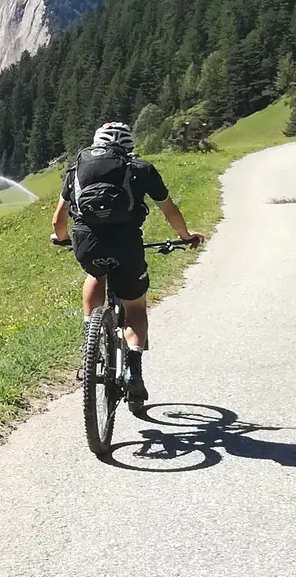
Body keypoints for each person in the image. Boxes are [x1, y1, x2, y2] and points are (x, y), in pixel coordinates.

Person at [50, 121, 200, 402]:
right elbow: (170, 210)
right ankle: (133, 370)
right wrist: (186, 235)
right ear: (130, 145)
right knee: (135, 307)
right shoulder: (141, 169)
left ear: (97, 143)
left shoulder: (78, 167)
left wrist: (60, 238)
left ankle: (89, 345)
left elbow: (59, 220)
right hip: (127, 245)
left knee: (95, 275)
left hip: (87, 244)